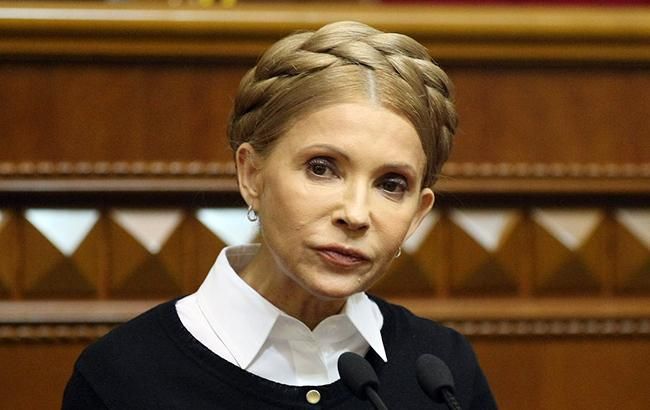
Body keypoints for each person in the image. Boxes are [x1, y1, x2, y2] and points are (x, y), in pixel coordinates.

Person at [62, 21, 497, 409]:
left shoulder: (442, 374)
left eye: (391, 184)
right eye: (322, 168)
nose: (355, 214)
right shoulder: (123, 376)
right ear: (252, 175)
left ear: (418, 213)